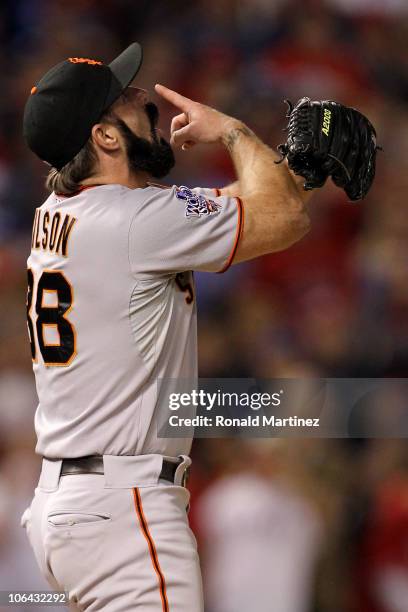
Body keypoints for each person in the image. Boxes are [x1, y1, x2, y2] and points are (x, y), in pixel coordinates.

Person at [21, 42, 314, 611]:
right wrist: (230, 130)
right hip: (122, 509)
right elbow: (285, 218)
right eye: (124, 99)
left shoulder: (72, 214)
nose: (142, 99)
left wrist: (299, 171)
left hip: (73, 507)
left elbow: (248, 206)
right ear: (105, 138)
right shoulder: (136, 223)